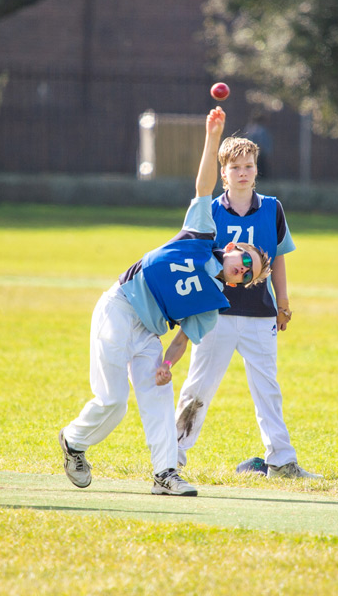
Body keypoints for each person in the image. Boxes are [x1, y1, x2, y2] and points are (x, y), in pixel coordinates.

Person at [59, 107, 272, 497]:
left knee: (158, 395)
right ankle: (73, 441)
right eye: (244, 258)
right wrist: (213, 137)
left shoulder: (212, 305)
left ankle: (165, 474)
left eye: (248, 272)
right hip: (120, 305)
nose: (242, 268)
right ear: (231, 247)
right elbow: (204, 186)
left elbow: (182, 340)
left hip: (148, 334)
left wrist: (167, 365)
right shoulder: (200, 233)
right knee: (113, 402)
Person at [156, 125, 322, 480]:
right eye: (235, 168)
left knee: (268, 389)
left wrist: (283, 302)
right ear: (223, 174)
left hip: (260, 315)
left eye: (248, 166)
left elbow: (277, 258)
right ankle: (171, 457)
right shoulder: (211, 211)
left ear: (256, 169)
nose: (243, 173)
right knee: (198, 388)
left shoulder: (272, 209)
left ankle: (281, 461)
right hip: (215, 314)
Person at [244, 113, 273, 179]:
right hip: (259, 153)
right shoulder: (260, 130)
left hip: (253, 153)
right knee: (260, 169)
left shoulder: (250, 129)